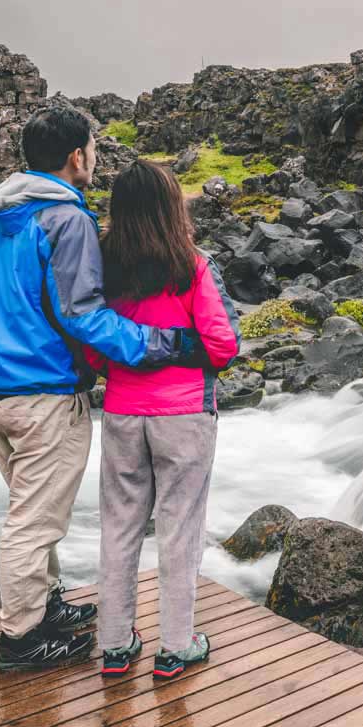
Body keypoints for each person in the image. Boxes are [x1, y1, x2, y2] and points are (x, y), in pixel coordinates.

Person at [0, 107, 202, 673]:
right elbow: (83, 316)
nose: (95, 155)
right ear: (77, 155)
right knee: (34, 522)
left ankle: (44, 607)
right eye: (93, 146)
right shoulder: (64, 221)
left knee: (30, 508)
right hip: (45, 392)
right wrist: (166, 344)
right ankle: (22, 640)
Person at [90, 159, 240, 680]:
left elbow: (92, 346)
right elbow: (223, 346)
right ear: (172, 206)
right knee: (180, 530)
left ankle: (114, 644)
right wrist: (181, 349)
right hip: (184, 416)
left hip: (123, 414)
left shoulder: (102, 267)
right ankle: (176, 647)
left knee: (119, 528)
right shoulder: (191, 264)